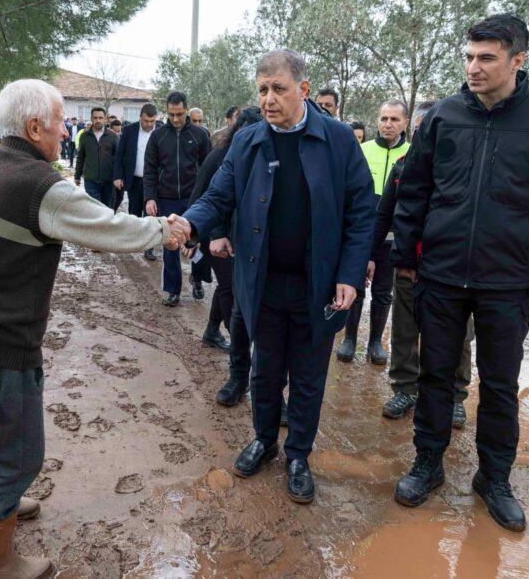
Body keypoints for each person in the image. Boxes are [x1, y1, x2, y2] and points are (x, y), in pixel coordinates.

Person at [0, 79, 184, 578]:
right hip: (2, 344)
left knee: (0, 420)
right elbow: (108, 227)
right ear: (34, 127)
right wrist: (163, 231)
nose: (66, 128)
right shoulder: (41, 186)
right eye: (62, 119)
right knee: (22, 453)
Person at [390, 14, 529, 532]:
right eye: (469, 56)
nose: (473, 67)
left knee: (500, 385)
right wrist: (406, 257)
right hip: (441, 273)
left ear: (517, 61)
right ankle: (427, 464)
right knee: (435, 376)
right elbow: (415, 190)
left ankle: (494, 478)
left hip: (508, 278)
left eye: (487, 58)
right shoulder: (442, 117)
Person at [176, 49, 376, 504]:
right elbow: (218, 196)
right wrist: (190, 224)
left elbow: (363, 211)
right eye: (262, 89)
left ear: (304, 90)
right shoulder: (247, 142)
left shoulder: (339, 140)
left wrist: (349, 273)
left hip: (318, 284)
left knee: (307, 375)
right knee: (265, 370)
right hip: (262, 281)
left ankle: (298, 455)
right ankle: (264, 440)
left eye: (278, 89)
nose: (268, 99)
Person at [374, 101, 475, 427]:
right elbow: (384, 215)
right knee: (405, 330)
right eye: (420, 129)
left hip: (454, 270)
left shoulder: (466, 167)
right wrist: (369, 255)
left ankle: (456, 397)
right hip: (409, 266)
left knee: (459, 335)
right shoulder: (402, 166)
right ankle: (405, 388)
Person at [197, 107, 264, 405]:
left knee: (273, 323)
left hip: (278, 251)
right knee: (238, 311)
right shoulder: (229, 155)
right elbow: (216, 196)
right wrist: (207, 233)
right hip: (241, 245)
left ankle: (274, 392)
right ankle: (238, 377)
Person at [336, 100, 410, 365]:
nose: (388, 124)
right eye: (384, 119)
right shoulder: (363, 150)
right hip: (361, 233)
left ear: (405, 123)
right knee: (355, 283)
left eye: (394, 120)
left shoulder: (412, 154)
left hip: (393, 238)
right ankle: (349, 338)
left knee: (383, 290)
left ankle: (376, 341)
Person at [144, 91, 213, 306]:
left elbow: (208, 169)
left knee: (197, 242)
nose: (175, 119)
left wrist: (206, 197)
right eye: (171, 114)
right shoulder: (158, 136)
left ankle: (198, 278)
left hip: (194, 198)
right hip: (167, 198)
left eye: (180, 114)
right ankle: (173, 290)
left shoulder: (200, 135)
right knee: (170, 244)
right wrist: (150, 197)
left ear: (186, 110)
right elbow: (150, 170)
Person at [114, 103, 160, 260]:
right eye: (146, 121)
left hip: (155, 182)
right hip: (135, 179)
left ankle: (149, 247)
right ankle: (134, 241)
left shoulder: (162, 130)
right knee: (134, 212)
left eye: (152, 121)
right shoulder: (129, 131)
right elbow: (120, 155)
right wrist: (118, 176)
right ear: (140, 117)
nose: (149, 124)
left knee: (151, 213)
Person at [73, 107, 118, 209]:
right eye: (95, 118)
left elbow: (119, 160)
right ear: (91, 118)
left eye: (100, 118)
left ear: (105, 119)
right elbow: (80, 157)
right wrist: (77, 175)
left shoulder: (113, 136)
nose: (98, 120)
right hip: (91, 180)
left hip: (109, 181)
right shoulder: (84, 136)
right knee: (94, 210)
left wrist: (118, 177)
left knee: (108, 210)